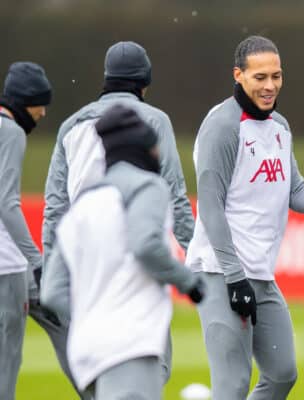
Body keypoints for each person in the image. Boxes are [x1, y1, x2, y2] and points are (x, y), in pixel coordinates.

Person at [185, 35, 304, 400]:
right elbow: (210, 206)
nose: (270, 86)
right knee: (232, 383)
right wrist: (234, 277)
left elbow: (294, 191)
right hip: (221, 273)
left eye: (277, 76)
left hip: (261, 275)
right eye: (260, 77)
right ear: (238, 75)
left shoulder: (280, 126)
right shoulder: (221, 126)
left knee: (282, 374)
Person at [40, 40, 194, 393]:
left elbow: (55, 208)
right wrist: (198, 262)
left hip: (85, 268)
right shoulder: (155, 121)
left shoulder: (70, 126)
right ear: (145, 82)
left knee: (98, 376)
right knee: (151, 369)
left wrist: (51, 268)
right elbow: (175, 195)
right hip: (138, 266)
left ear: (106, 78)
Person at [0, 61, 52, 400]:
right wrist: (36, 260)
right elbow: (6, 202)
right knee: (6, 362)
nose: (43, 112)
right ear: (24, 101)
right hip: (6, 266)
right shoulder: (11, 131)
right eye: (39, 103)